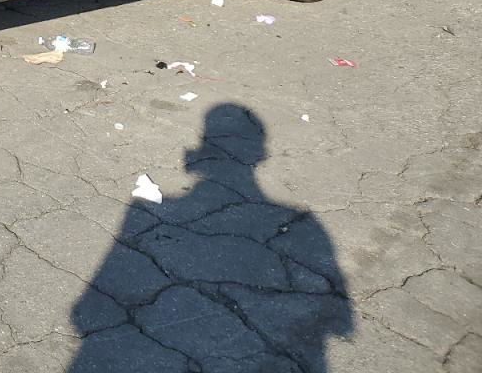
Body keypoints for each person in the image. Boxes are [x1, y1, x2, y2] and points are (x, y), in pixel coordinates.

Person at [67, 103, 353, 371]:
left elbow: (90, 302)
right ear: (259, 153)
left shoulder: (141, 210)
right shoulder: (307, 224)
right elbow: (341, 324)